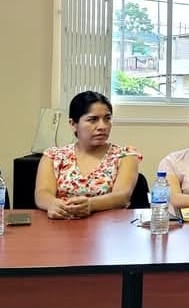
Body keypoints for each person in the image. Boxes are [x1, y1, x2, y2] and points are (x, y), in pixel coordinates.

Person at [35, 91, 142, 219]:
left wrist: (91, 205)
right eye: (93, 120)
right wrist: (52, 204)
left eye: (107, 119)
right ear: (73, 124)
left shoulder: (125, 156)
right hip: (61, 223)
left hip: (109, 226)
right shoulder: (53, 156)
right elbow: (42, 193)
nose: (102, 126)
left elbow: (122, 196)